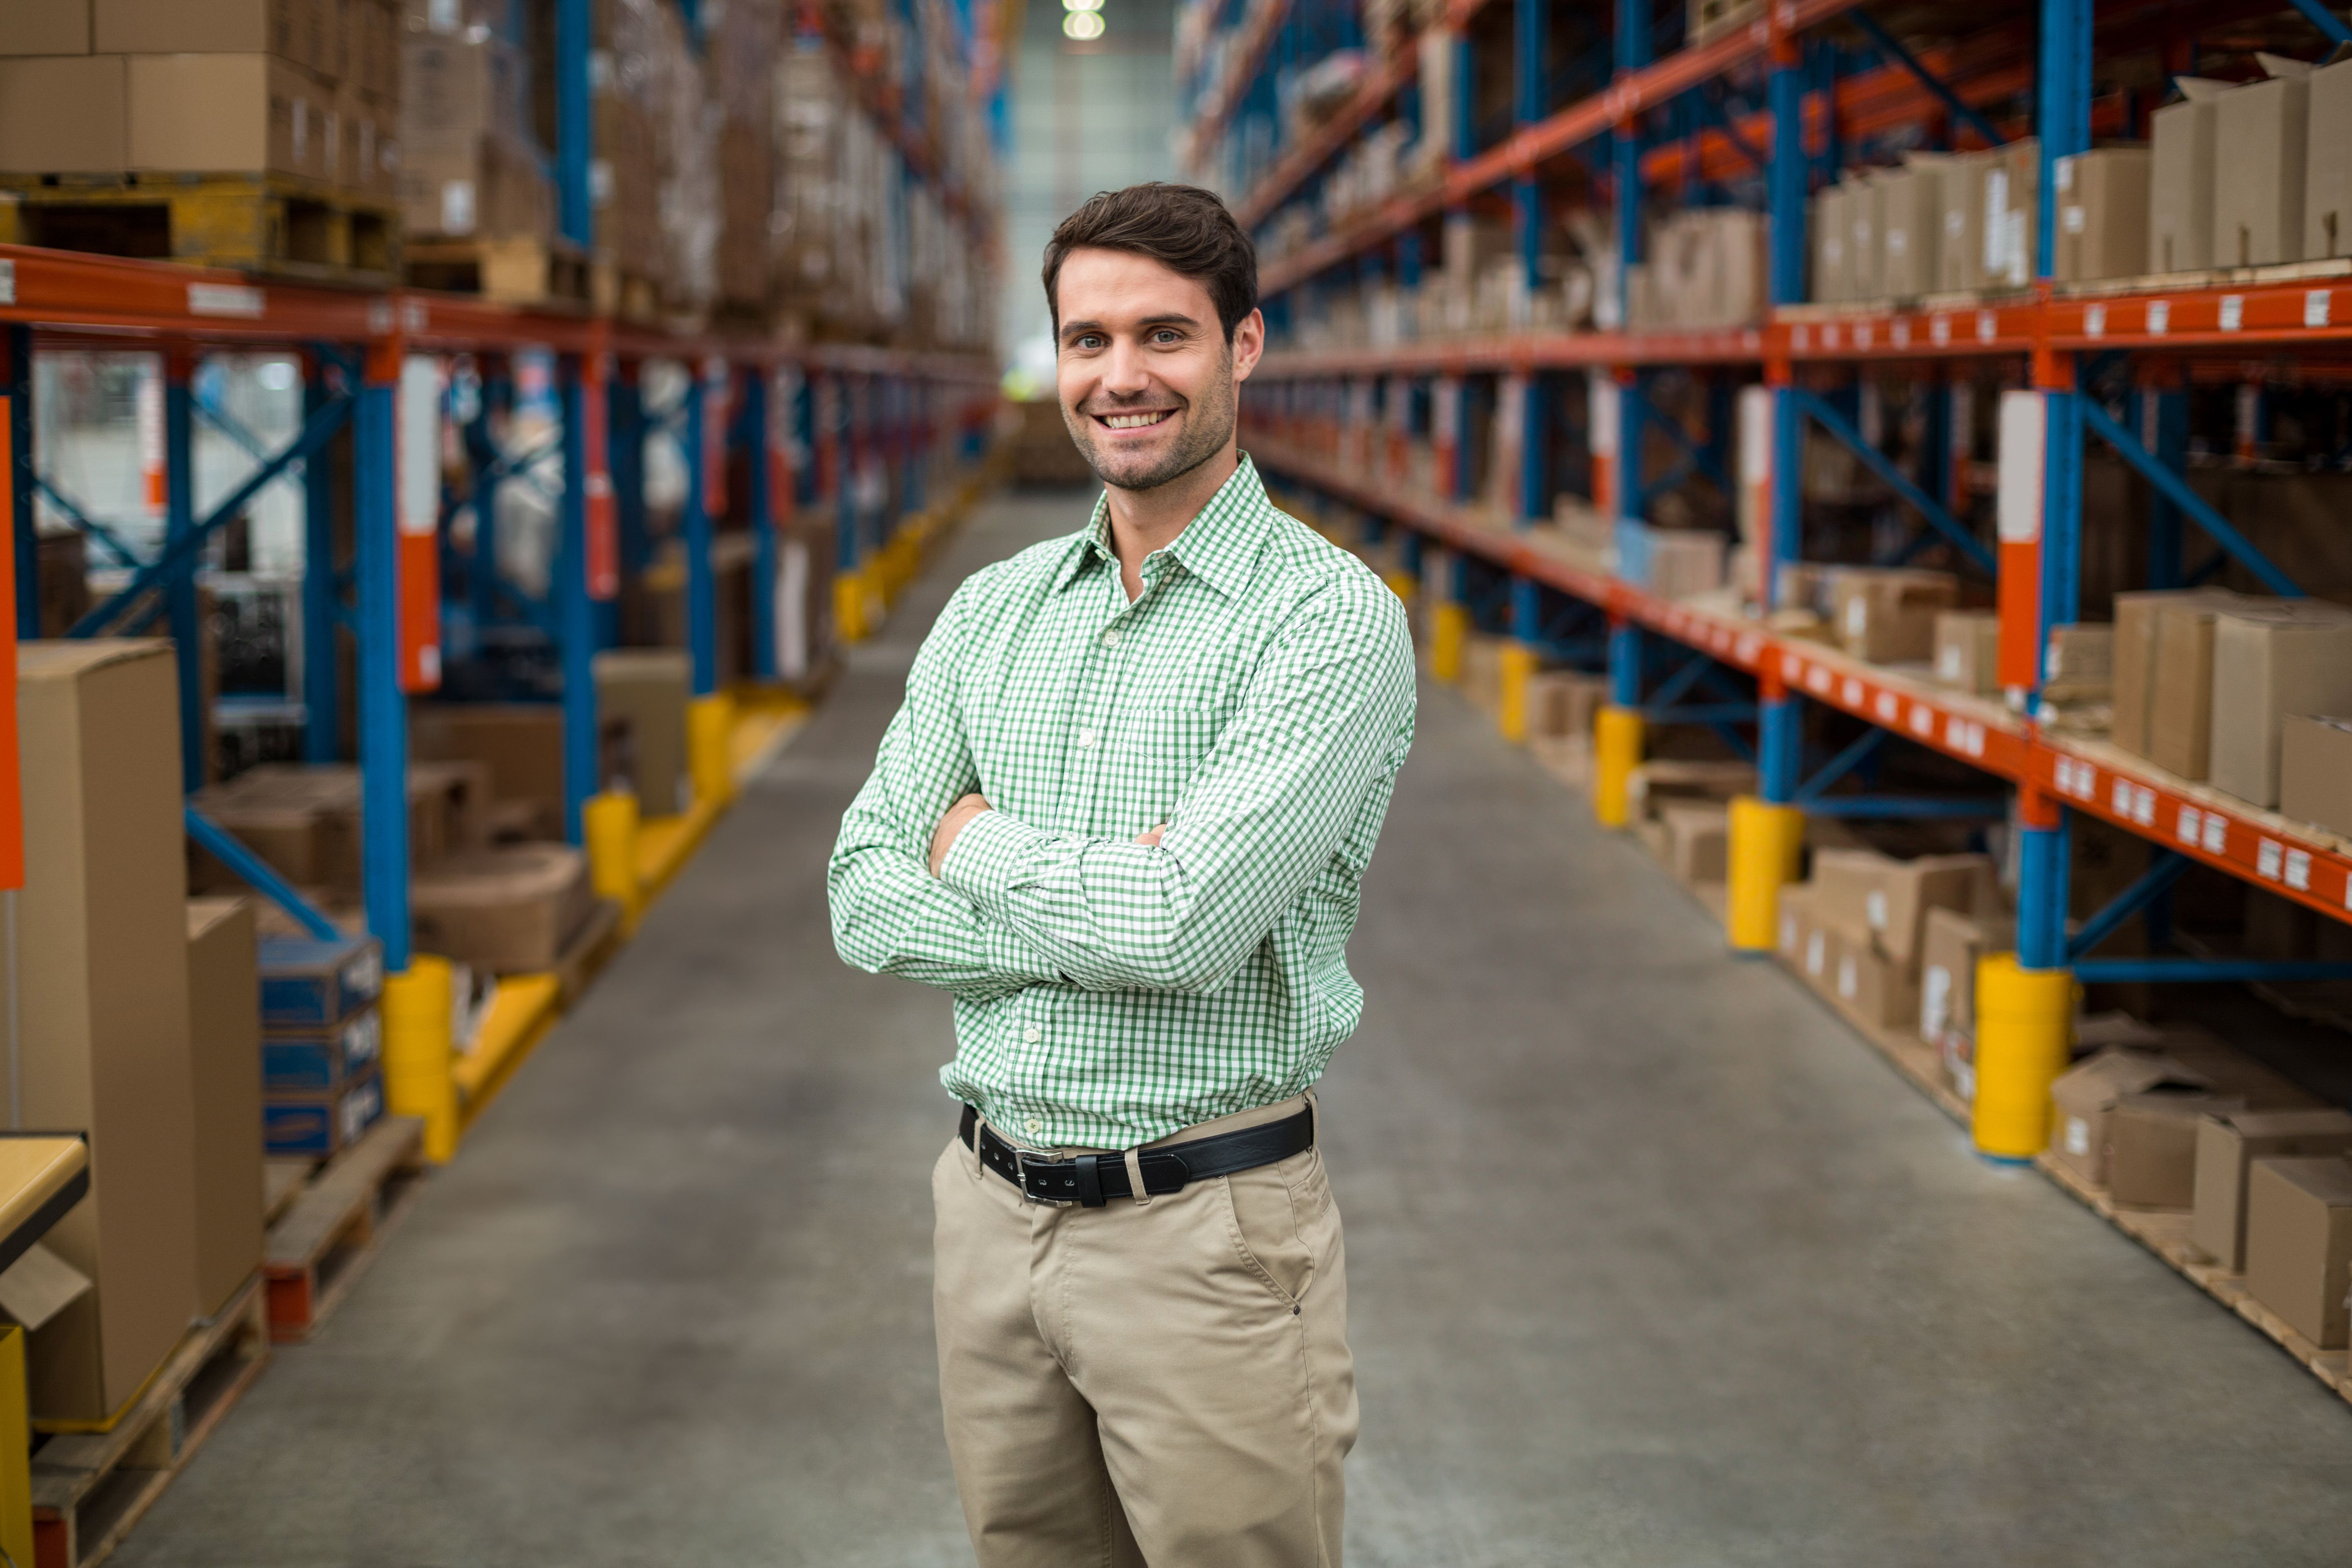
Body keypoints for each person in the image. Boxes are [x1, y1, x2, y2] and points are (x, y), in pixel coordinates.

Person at [828, 181, 1416, 1566]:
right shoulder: (994, 610)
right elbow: (861, 891)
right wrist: (1111, 898)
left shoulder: (1328, 621)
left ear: (1243, 346)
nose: (1121, 376)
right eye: (1087, 341)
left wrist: (970, 845)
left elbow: (1181, 927)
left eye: (1165, 335)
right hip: (986, 1216)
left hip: (1203, 1241)